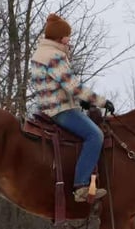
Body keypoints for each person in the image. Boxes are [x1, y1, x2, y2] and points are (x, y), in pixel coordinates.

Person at [30, 13, 115, 203]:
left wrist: (81, 102)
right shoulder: (53, 56)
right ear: (60, 36)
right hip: (60, 110)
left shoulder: (42, 53)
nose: (70, 38)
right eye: (68, 35)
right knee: (96, 136)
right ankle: (81, 186)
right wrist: (100, 101)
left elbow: (58, 86)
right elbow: (73, 86)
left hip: (51, 106)